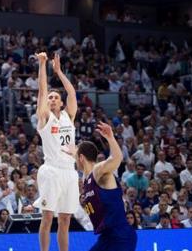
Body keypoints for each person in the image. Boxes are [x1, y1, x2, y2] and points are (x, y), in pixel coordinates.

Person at [33, 52, 79, 251]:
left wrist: (59, 71)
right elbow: (42, 91)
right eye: (50, 97)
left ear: (61, 102)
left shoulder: (69, 115)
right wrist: (42, 65)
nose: (51, 99)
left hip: (69, 171)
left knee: (66, 219)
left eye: (55, 97)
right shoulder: (44, 117)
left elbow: (72, 92)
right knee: (48, 217)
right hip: (51, 170)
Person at [71, 122, 137, 251]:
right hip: (107, 236)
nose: (75, 161)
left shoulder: (98, 171)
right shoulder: (86, 177)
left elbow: (117, 158)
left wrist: (110, 138)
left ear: (81, 158)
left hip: (120, 236)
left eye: (76, 158)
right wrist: (72, 151)